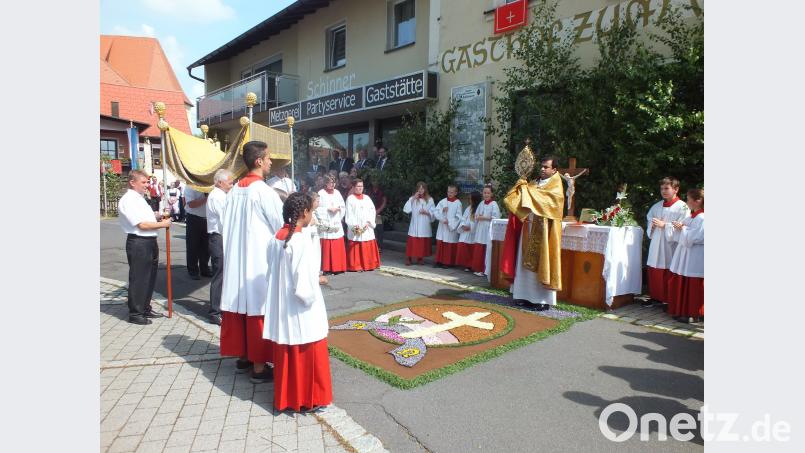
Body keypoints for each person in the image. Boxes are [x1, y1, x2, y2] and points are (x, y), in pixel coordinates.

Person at [219, 140, 284, 383]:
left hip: (237, 259)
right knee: (257, 308)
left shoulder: (234, 191)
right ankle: (258, 367)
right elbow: (281, 226)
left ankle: (244, 357)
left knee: (241, 305)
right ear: (258, 161)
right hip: (258, 260)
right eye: (267, 158)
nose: (270, 162)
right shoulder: (264, 192)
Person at [264, 192, 333, 412]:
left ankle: (288, 397)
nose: (312, 214)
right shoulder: (300, 241)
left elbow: (273, 271)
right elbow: (303, 285)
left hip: (281, 303)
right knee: (307, 348)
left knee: (288, 350)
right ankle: (308, 398)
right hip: (300, 308)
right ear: (304, 213)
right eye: (311, 211)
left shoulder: (276, 238)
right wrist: (316, 282)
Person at [502, 154, 564, 311]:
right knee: (523, 262)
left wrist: (527, 191)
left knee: (542, 262)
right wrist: (520, 186)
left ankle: (541, 299)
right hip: (528, 226)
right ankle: (522, 295)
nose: (542, 169)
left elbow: (548, 202)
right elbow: (520, 198)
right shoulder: (534, 183)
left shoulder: (556, 186)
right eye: (541, 166)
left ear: (554, 169)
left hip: (544, 230)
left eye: (546, 167)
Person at [118, 170, 171, 324]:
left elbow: (146, 218)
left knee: (149, 277)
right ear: (132, 182)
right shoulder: (128, 200)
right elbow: (141, 224)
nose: (147, 185)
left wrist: (158, 216)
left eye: (147, 182)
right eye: (143, 182)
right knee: (139, 278)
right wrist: (163, 224)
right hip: (139, 242)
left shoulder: (139, 199)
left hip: (148, 241)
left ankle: (144, 307)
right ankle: (136, 313)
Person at [643, 177, 689, 307]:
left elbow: (683, 226)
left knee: (669, 270)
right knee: (654, 268)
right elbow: (649, 219)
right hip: (657, 241)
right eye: (662, 188)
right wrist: (651, 225)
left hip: (671, 245)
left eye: (667, 188)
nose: (663, 191)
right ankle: (655, 297)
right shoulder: (656, 206)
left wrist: (665, 225)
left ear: (676, 189)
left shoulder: (683, 207)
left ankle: (669, 299)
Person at [667, 189, 704, 323]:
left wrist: (682, 228)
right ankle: (683, 310)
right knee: (684, 281)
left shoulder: (702, 217)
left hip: (695, 255)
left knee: (694, 285)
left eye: (689, 200)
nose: (687, 202)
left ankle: (694, 313)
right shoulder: (694, 216)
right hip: (686, 255)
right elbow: (687, 231)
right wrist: (680, 226)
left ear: (698, 201)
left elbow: (697, 237)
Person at [206, 168, 234, 326]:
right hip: (219, 238)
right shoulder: (217, 197)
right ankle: (214, 312)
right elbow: (225, 221)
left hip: (222, 237)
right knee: (220, 275)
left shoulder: (223, 195)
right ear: (219, 182)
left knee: (224, 274)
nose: (232, 185)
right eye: (229, 182)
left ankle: (221, 308)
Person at [345, 179, 381, 272]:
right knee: (356, 242)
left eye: (361, 186)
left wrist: (369, 221)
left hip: (366, 225)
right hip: (356, 225)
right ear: (353, 187)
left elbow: (372, 210)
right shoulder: (350, 199)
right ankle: (356, 265)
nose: (360, 188)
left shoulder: (367, 198)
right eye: (358, 186)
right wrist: (355, 227)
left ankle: (369, 264)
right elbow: (349, 214)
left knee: (367, 241)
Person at [317, 175, 347, 274]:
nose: (332, 184)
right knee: (326, 245)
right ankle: (326, 268)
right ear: (326, 183)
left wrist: (339, 209)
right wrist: (327, 209)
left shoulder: (337, 192)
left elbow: (342, 205)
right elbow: (317, 207)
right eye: (330, 182)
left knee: (337, 243)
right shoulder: (321, 193)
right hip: (326, 221)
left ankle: (338, 267)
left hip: (336, 219)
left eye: (334, 182)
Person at [471, 184, 501, 276]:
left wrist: (483, 217)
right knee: (479, 248)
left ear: (491, 194)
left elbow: (496, 217)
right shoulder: (481, 203)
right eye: (484, 193)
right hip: (480, 228)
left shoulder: (494, 204)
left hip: (488, 228)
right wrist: (477, 217)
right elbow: (476, 215)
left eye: (488, 193)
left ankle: (485, 270)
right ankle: (478, 268)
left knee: (486, 249)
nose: (486, 194)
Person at [402, 182, 435, 265]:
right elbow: (406, 209)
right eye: (419, 188)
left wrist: (426, 212)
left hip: (424, 224)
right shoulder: (412, 198)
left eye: (422, 188)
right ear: (417, 189)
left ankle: (420, 258)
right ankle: (408, 258)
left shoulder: (430, 199)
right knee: (412, 242)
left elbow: (434, 212)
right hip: (415, 223)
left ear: (425, 189)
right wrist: (413, 198)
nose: (421, 190)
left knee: (421, 243)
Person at [183, 185, 211, 280]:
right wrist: (207, 198)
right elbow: (191, 204)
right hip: (194, 218)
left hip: (207, 218)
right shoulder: (190, 187)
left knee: (206, 247)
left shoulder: (210, 187)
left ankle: (204, 268)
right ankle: (193, 270)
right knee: (193, 245)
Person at [432, 185, 463, 268]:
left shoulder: (458, 203)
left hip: (450, 228)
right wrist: (442, 216)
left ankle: (447, 262)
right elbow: (435, 212)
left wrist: (450, 222)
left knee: (449, 246)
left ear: (456, 193)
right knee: (440, 243)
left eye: (452, 192)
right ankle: (438, 261)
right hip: (442, 226)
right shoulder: (443, 201)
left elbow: (459, 217)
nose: (449, 193)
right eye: (448, 192)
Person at [456, 191, 482, 272]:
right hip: (465, 230)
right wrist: (463, 225)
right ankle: (467, 264)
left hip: (472, 232)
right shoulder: (468, 208)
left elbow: (477, 221)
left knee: (471, 249)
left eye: (470, 199)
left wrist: (470, 227)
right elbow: (463, 218)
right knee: (463, 247)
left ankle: (471, 265)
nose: (469, 200)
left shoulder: (479, 208)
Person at [367, 179, 387, 249]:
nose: (374, 182)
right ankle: (372, 247)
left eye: (376, 181)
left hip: (378, 214)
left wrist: (378, 210)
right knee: (371, 230)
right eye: (373, 181)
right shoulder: (369, 191)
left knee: (379, 230)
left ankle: (379, 247)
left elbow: (384, 202)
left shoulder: (381, 191)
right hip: (370, 214)